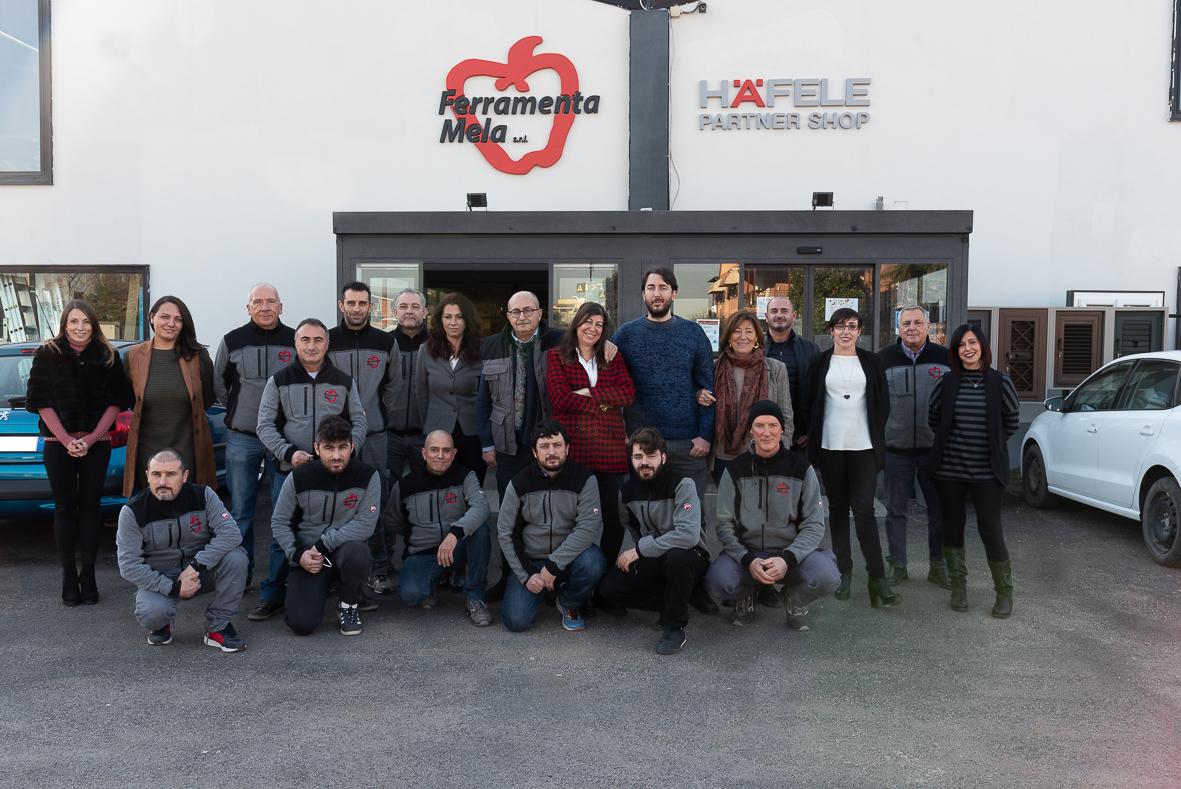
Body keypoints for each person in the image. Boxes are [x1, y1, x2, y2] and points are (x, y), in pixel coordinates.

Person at [250, 318, 367, 621]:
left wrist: (345, 453)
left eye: (318, 340)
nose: (311, 346)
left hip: (334, 472)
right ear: (296, 343)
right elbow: (264, 425)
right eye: (305, 339)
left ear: (327, 344)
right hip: (289, 472)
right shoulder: (279, 380)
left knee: (338, 528)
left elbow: (359, 422)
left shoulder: (344, 381)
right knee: (284, 530)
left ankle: (348, 589)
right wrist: (289, 453)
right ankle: (273, 593)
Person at [25, 300, 135, 605]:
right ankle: (69, 576)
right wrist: (65, 440)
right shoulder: (47, 353)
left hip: (97, 445)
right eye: (74, 321)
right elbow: (41, 401)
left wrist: (91, 439)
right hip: (56, 445)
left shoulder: (108, 355)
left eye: (86, 321)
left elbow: (116, 402)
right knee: (64, 508)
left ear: (94, 324)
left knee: (90, 508)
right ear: (64, 324)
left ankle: (89, 575)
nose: (80, 327)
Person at [704, 401, 840, 630]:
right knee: (716, 583)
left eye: (773, 425)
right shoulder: (734, 470)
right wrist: (748, 560)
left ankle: (794, 599)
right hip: (749, 554)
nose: (766, 432)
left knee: (828, 578)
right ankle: (747, 594)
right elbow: (724, 524)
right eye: (760, 425)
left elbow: (814, 525)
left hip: (792, 554)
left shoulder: (802, 469)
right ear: (751, 430)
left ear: (782, 429)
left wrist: (787, 559)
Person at [799, 308, 899, 608]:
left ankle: (877, 578)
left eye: (852, 326)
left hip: (864, 447)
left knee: (865, 511)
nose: (846, 331)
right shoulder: (819, 362)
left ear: (859, 331)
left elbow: (883, 404)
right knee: (839, 510)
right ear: (831, 330)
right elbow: (808, 403)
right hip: (830, 446)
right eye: (840, 326)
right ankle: (844, 572)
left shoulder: (873, 361)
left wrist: (871, 433)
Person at [924, 324, 1020, 618]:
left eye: (972, 343)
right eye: (961, 345)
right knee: (952, 528)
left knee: (990, 529)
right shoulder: (947, 382)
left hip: (987, 473)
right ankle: (958, 588)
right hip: (950, 470)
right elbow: (934, 418)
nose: (967, 349)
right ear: (955, 351)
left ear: (982, 346)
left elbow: (1011, 421)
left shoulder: (1000, 382)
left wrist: (990, 444)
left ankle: (1004, 594)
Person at [477, 291, 564, 601]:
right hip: (508, 446)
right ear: (508, 316)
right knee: (509, 516)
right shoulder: (491, 346)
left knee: (549, 514)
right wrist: (486, 443)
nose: (522, 316)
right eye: (516, 311)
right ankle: (509, 576)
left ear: (540, 314)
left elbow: (592, 344)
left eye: (529, 310)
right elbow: (483, 401)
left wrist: (607, 344)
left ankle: (552, 577)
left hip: (547, 447)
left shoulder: (560, 341)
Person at [114, 448, 248, 652]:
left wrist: (197, 565)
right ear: (148, 476)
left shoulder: (203, 495)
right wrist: (174, 588)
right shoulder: (132, 512)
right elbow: (128, 565)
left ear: (184, 476)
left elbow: (231, 533)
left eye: (171, 474)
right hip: (161, 578)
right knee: (152, 614)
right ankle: (161, 624)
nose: (162, 482)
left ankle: (218, 628)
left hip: (201, 571)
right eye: (156, 474)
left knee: (237, 558)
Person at [598, 428, 712, 655]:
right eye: (638, 456)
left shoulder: (683, 485)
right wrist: (644, 551)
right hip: (655, 555)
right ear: (631, 459)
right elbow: (632, 526)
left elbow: (688, 535)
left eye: (651, 456)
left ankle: (674, 626)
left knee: (677, 558)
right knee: (609, 589)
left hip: (690, 555)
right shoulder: (626, 491)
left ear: (663, 457)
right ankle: (673, 598)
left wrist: (641, 549)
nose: (644, 462)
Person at [213, 283, 297, 588]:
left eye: (271, 301)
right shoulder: (232, 340)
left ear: (280, 307)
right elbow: (220, 383)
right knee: (240, 510)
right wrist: (240, 411)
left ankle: (279, 579)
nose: (265, 307)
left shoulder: (294, 340)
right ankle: (242, 574)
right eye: (258, 302)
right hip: (242, 437)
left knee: (283, 512)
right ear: (248, 308)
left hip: (283, 439)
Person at [611, 267, 715, 506]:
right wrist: (622, 433)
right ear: (643, 294)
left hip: (687, 445)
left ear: (673, 293)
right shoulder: (625, 335)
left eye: (663, 288)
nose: (656, 294)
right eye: (651, 288)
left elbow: (707, 389)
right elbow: (613, 387)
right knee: (645, 514)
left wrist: (705, 435)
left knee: (691, 515)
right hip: (642, 445)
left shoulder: (693, 333)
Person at [545, 302, 634, 579]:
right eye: (588, 322)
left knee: (614, 520)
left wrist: (588, 393)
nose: (592, 328)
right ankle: (570, 576)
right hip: (574, 450)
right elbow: (559, 398)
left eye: (599, 324)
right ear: (576, 323)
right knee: (571, 520)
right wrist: (605, 402)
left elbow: (628, 393)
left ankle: (603, 578)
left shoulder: (611, 356)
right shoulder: (557, 356)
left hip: (610, 450)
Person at [270, 416, 382, 636]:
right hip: (309, 556)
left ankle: (349, 604)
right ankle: (320, 588)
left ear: (352, 446)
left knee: (358, 552)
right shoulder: (298, 477)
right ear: (316, 448)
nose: (336, 455)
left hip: (343, 550)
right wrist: (297, 555)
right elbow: (279, 521)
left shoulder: (368, 476)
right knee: (301, 625)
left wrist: (323, 545)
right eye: (329, 448)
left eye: (342, 447)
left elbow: (365, 524)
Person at [497, 420, 606, 633]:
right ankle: (543, 589)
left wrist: (553, 566)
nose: (552, 452)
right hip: (532, 561)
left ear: (567, 447)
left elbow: (588, 527)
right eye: (544, 446)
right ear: (534, 452)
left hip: (570, 559)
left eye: (557, 445)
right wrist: (528, 575)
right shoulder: (519, 483)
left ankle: (569, 601)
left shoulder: (585, 479)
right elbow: (506, 533)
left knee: (593, 562)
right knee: (517, 622)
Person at [326, 281, 400, 595]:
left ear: (371, 307)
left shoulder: (385, 342)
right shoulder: (327, 340)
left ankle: (378, 567)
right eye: (351, 303)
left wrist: (375, 413)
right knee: (334, 501)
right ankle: (332, 570)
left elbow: (393, 386)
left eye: (362, 303)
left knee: (375, 501)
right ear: (341, 305)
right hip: (334, 439)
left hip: (374, 436)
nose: (356, 309)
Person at [879, 305, 952, 589]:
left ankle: (938, 566)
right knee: (895, 511)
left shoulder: (946, 358)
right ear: (898, 328)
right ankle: (897, 566)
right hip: (895, 450)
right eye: (906, 323)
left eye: (918, 322)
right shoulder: (883, 359)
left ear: (928, 326)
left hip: (935, 451)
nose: (912, 328)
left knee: (939, 509)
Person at [390, 430, 493, 626]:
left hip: (456, 549)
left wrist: (455, 534)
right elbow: (393, 521)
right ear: (424, 453)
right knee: (411, 596)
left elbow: (482, 506)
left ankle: (475, 597)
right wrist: (417, 535)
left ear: (453, 454)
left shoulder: (465, 476)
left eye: (446, 450)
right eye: (434, 450)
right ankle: (433, 580)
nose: (440, 455)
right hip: (422, 553)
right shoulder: (405, 485)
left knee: (480, 532)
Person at [122, 296, 216, 497]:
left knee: (187, 505)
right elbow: (131, 400)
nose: (171, 324)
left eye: (178, 319)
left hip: (188, 447)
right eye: (165, 317)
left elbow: (206, 398)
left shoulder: (198, 356)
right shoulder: (132, 356)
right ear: (152, 318)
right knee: (151, 506)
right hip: (147, 449)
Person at [697, 309, 793, 483]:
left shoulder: (776, 369)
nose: (743, 337)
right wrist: (698, 395)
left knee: (760, 501)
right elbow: (699, 400)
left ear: (756, 337)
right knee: (727, 501)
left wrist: (781, 454)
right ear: (729, 336)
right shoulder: (713, 368)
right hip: (723, 456)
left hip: (763, 454)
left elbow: (786, 416)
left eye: (749, 331)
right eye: (737, 331)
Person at [416, 292, 485, 485]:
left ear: (467, 320)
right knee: (440, 485)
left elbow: (486, 396)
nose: (453, 322)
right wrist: (429, 429)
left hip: (472, 433)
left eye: (459, 316)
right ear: (440, 320)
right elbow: (421, 394)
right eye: (448, 317)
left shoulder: (481, 350)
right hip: (437, 432)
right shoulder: (426, 350)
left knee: (472, 483)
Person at [762, 296, 819, 452]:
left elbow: (818, 394)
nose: (779, 315)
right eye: (774, 311)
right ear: (766, 316)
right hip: (762, 433)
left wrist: (810, 431)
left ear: (793, 316)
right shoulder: (756, 348)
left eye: (784, 311)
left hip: (800, 436)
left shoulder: (811, 349)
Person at [387, 287, 430, 480]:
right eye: (404, 307)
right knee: (388, 487)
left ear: (424, 312)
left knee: (425, 486)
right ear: (395, 312)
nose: (409, 311)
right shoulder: (385, 343)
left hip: (425, 435)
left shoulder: (436, 344)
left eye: (415, 306)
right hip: (389, 435)